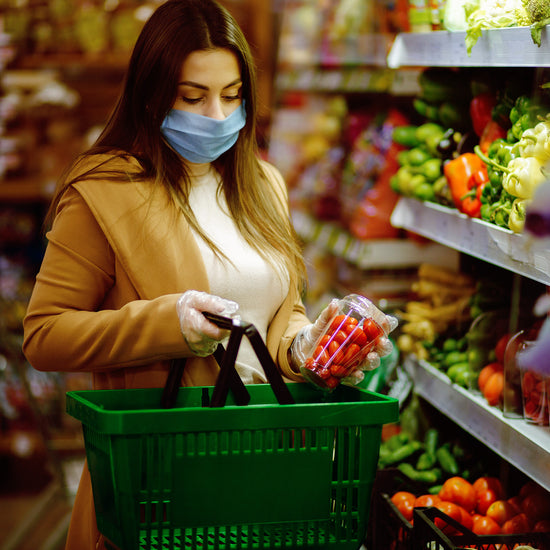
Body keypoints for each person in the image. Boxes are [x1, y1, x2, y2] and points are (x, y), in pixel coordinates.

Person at [22, 1, 392, 548]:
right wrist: (168, 324)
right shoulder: (103, 194)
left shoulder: (264, 184)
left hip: (273, 470)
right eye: (193, 97)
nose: (217, 115)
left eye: (232, 95)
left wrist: (304, 347)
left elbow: (277, 311)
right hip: (163, 477)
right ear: (152, 92)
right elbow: (44, 335)